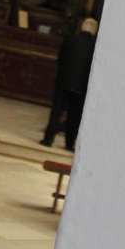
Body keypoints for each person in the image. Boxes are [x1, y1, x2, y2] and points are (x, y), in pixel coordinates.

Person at [42, 18, 98, 150]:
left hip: (64, 80)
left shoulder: (70, 40)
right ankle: (69, 143)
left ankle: (48, 138)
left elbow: (60, 59)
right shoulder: (95, 46)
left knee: (57, 110)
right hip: (81, 85)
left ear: (81, 27)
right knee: (74, 114)